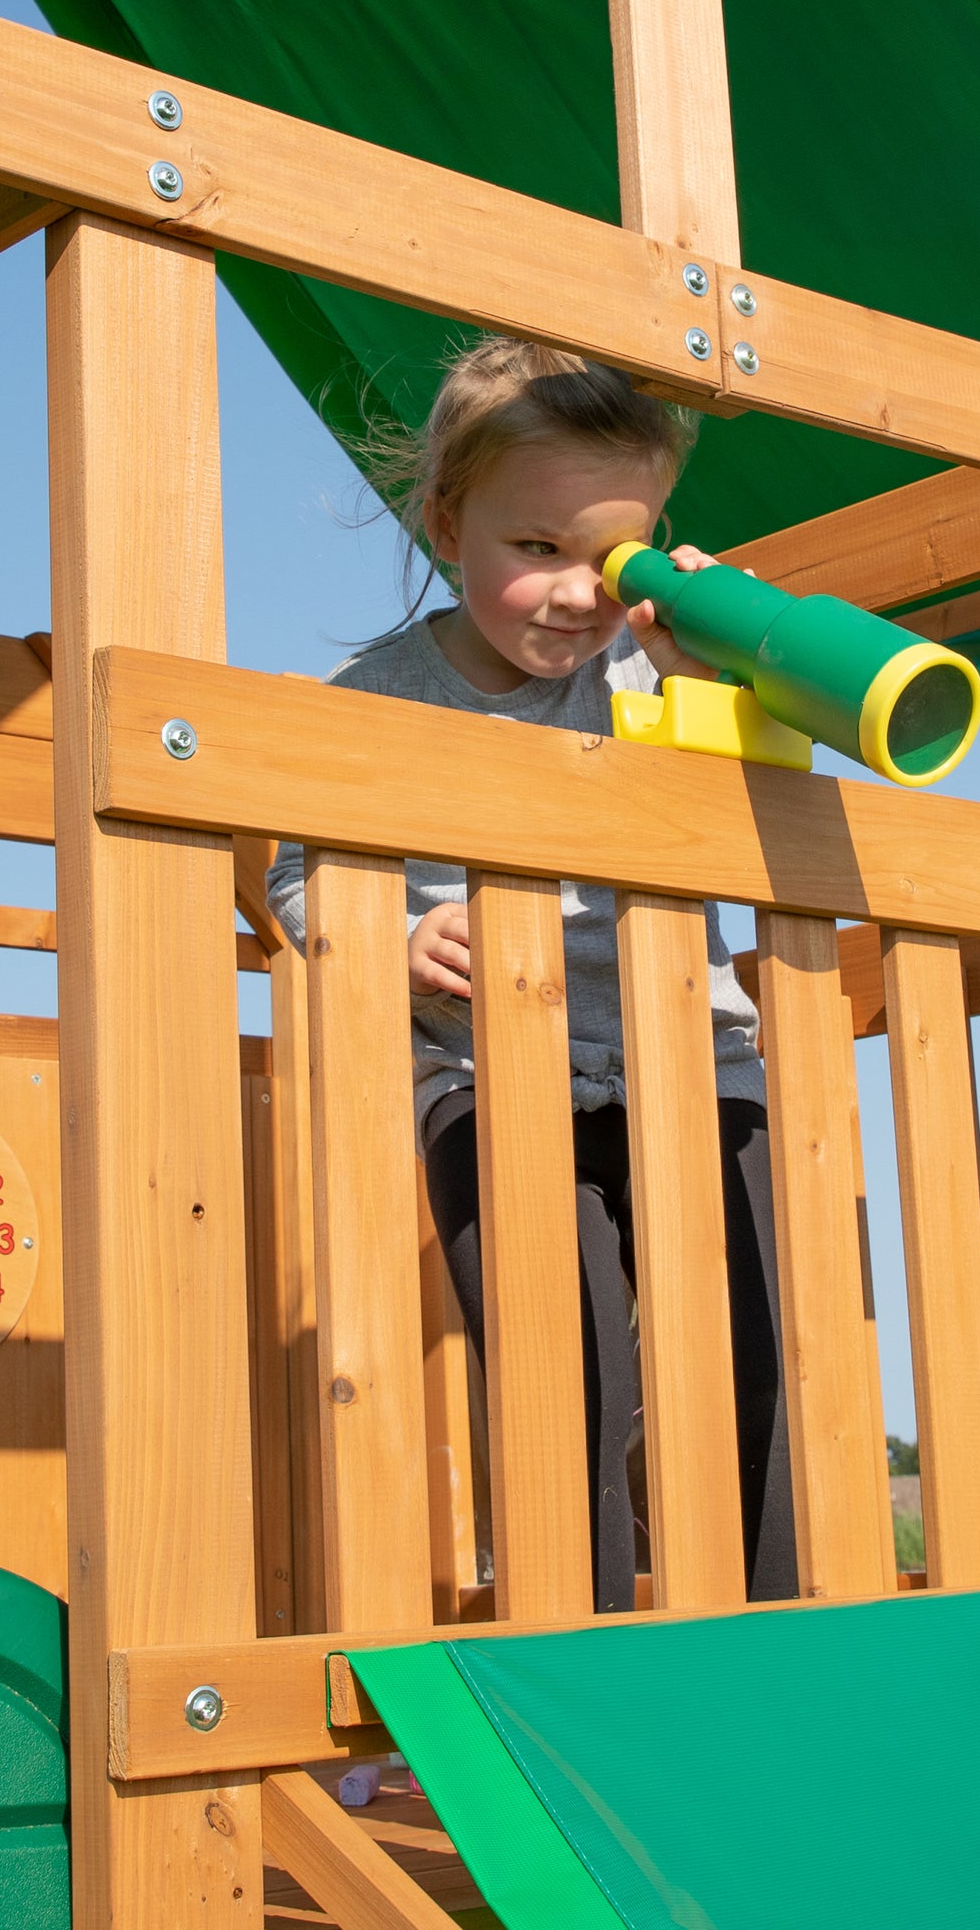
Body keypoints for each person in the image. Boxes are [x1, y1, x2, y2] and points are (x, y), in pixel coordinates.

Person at [268, 336, 797, 1611]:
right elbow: (293, 871)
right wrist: (384, 939)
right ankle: (584, 1626)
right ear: (451, 524)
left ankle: (781, 1622)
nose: (576, 593)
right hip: (490, 1068)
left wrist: (711, 674)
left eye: (613, 557)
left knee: (754, 1349)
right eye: (536, 549)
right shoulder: (377, 694)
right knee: (569, 1362)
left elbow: (758, 812)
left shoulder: (649, 673)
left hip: (695, 1056)